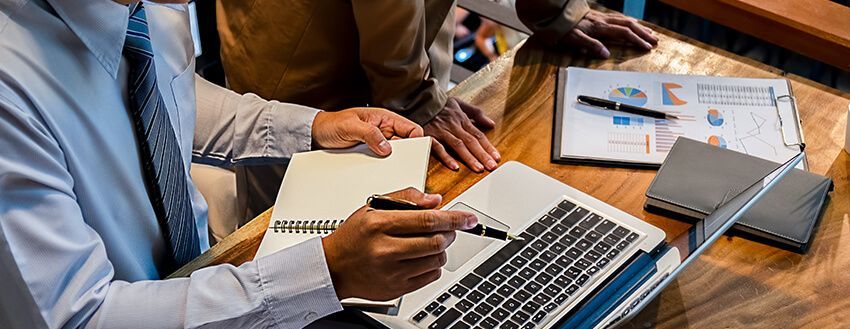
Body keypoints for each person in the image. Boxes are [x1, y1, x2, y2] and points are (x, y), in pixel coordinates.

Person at [0, 0, 477, 329]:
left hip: (202, 304)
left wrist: (309, 126)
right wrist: (327, 270)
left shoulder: (147, 10)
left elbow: (167, 90)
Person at [216, 0, 658, 174]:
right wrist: (414, 96)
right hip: (304, 51)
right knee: (286, 219)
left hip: (409, 45)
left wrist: (553, 8)